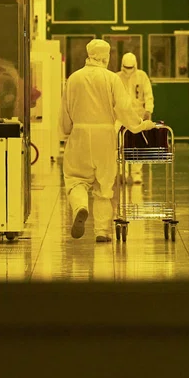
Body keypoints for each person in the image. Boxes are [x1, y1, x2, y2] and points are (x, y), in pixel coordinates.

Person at [61, 39, 154, 242]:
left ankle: (80, 206)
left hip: (79, 135)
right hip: (105, 136)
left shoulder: (73, 79)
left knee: (75, 178)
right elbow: (123, 108)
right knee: (104, 186)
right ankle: (102, 231)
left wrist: (68, 131)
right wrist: (139, 126)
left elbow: (65, 112)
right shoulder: (112, 79)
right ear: (106, 56)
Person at [118, 52, 154, 185]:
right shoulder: (117, 77)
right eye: (125, 68)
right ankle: (123, 172)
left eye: (130, 68)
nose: (128, 71)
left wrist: (148, 110)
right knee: (120, 143)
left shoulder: (142, 76)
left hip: (138, 114)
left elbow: (148, 95)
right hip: (121, 115)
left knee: (138, 144)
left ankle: (136, 173)